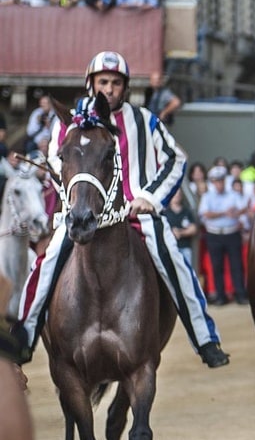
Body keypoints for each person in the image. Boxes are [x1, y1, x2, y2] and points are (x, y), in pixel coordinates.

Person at [11, 51, 231, 369]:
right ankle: (25, 335)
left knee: (175, 260)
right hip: (83, 212)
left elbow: (175, 159)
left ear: (125, 87)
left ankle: (204, 338)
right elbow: (58, 163)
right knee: (46, 262)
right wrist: (72, 196)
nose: (109, 89)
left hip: (135, 212)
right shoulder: (70, 121)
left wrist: (151, 198)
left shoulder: (145, 120)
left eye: (116, 83)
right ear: (91, 84)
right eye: (103, 82)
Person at [198, 165, 248, 305]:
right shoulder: (207, 197)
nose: (219, 184)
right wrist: (224, 213)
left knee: (236, 265)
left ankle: (240, 294)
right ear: (213, 182)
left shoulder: (233, 194)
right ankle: (220, 296)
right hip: (214, 234)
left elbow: (243, 208)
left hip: (232, 233)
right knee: (217, 266)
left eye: (221, 181)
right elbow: (205, 213)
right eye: (216, 181)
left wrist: (236, 213)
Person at [164, 187, 199, 267]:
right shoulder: (165, 213)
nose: (177, 196)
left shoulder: (187, 211)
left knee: (187, 273)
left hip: (185, 247)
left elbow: (193, 229)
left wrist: (180, 232)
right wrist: (171, 232)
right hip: (170, 249)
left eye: (179, 194)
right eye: (175, 193)